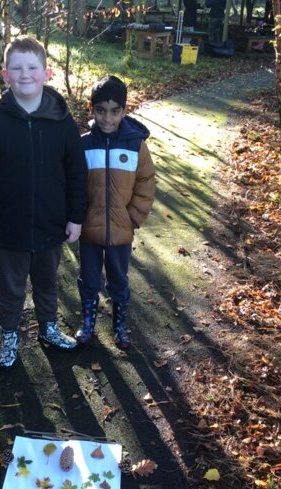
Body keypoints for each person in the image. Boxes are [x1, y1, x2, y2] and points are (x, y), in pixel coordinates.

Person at [0, 36, 87, 368]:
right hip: (9, 229)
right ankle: (9, 336)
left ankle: (49, 328)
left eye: (32, 67)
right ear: (5, 75)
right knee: (11, 289)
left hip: (51, 225)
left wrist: (76, 216)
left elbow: (77, 173)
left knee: (47, 283)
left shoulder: (62, 122)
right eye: (16, 68)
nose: (25, 74)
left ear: (46, 73)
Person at [75, 76, 156, 350]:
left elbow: (146, 183)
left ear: (124, 110)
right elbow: (74, 185)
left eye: (114, 111)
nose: (107, 118)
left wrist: (132, 218)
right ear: (91, 109)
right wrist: (77, 218)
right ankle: (88, 321)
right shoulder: (83, 145)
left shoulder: (136, 145)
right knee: (89, 278)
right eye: (100, 110)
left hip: (122, 231)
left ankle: (119, 323)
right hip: (89, 230)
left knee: (119, 279)